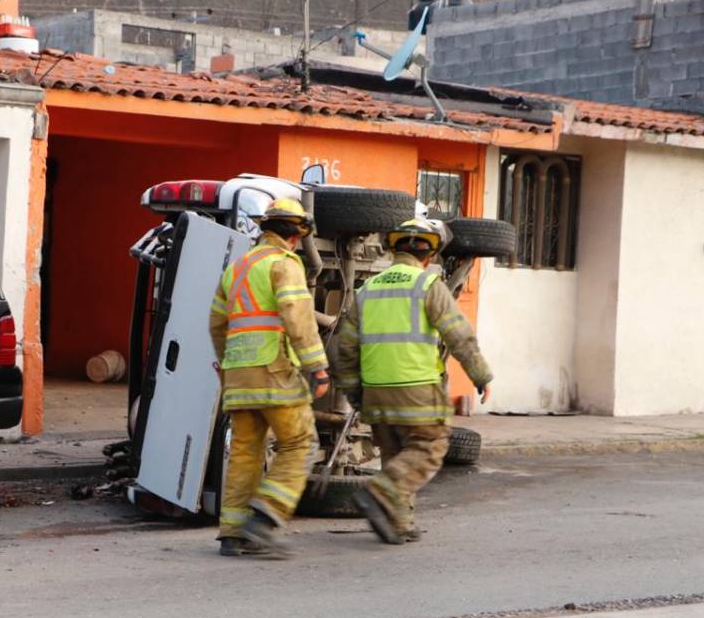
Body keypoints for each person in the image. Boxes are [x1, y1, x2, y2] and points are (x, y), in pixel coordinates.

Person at [334, 217, 492, 544]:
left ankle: (399, 523)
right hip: (416, 388)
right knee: (430, 447)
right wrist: (481, 375)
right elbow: (459, 335)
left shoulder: (367, 290)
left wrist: (355, 393)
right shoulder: (427, 285)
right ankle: (380, 492)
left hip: (376, 392)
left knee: (395, 455)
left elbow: (345, 349)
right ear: (429, 254)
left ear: (394, 250)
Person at [209, 197, 330, 558]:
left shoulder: (237, 268)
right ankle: (265, 518)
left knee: (245, 453)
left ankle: (233, 534)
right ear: (296, 235)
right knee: (301, 442)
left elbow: (216, 324)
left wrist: (229, 367)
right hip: (273, 370)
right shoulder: (284, 263)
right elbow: (297, 316)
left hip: (238, 376)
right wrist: (316, 366)